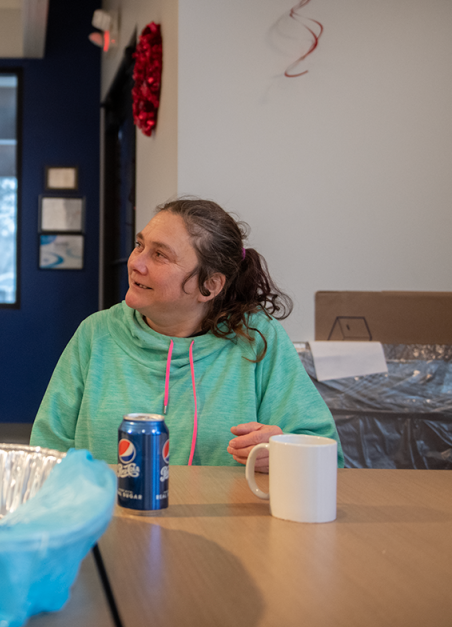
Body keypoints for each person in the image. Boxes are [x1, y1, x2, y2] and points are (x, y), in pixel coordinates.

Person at [30, 198, 342, 472]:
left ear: (209, 286)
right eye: (140, 245)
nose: (136, 263)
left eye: (160, 255)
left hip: (231, 532)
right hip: (110, 525)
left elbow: (328, 453)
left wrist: (286, 452)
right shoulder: (96, 334)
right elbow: (46, 452)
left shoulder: (257, 338)